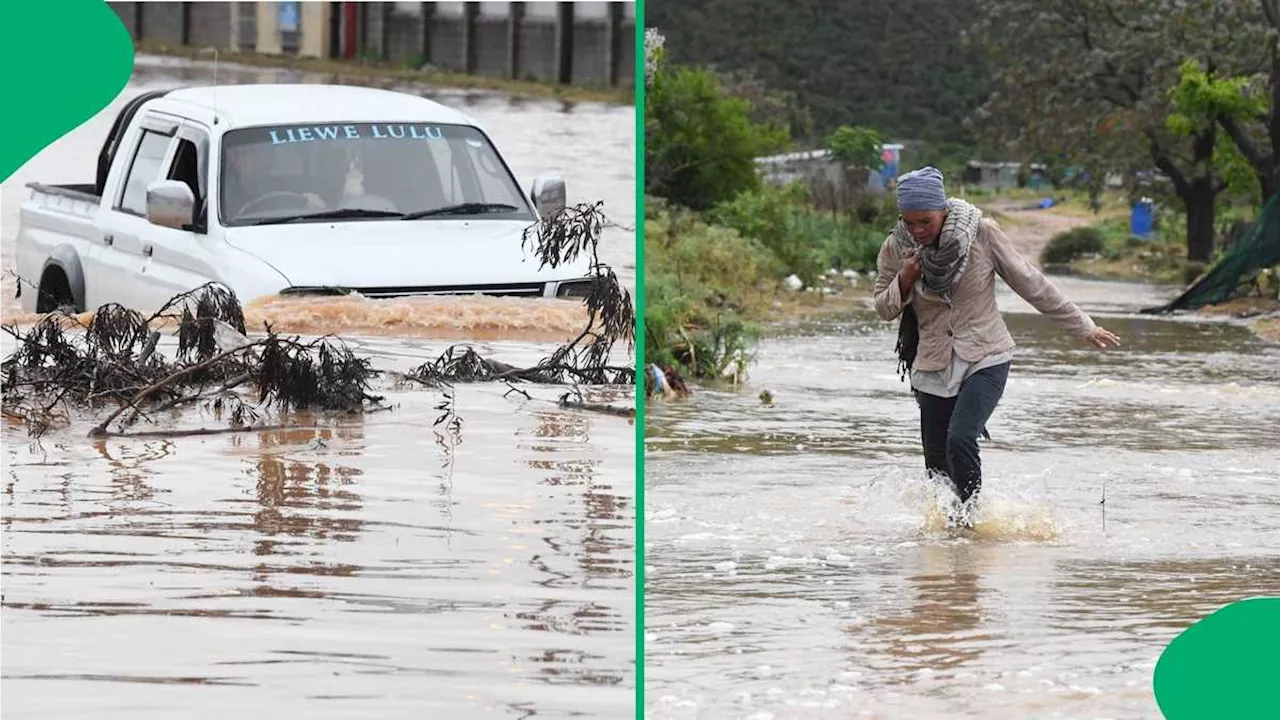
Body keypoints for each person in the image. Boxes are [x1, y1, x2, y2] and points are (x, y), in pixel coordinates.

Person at [873, 166, 1120, 523]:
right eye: (909, 223)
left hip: (986, 355)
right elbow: (883, 306)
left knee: (960, 439)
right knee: (936, 461)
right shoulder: (897, 247)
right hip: (931, 363)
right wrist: (905, 278)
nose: (917, 231)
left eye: (925, 221)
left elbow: (1030, 282)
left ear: (943, 210)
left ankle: (973, 525)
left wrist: (1083, 326)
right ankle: (951, 536)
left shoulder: (982, 234)